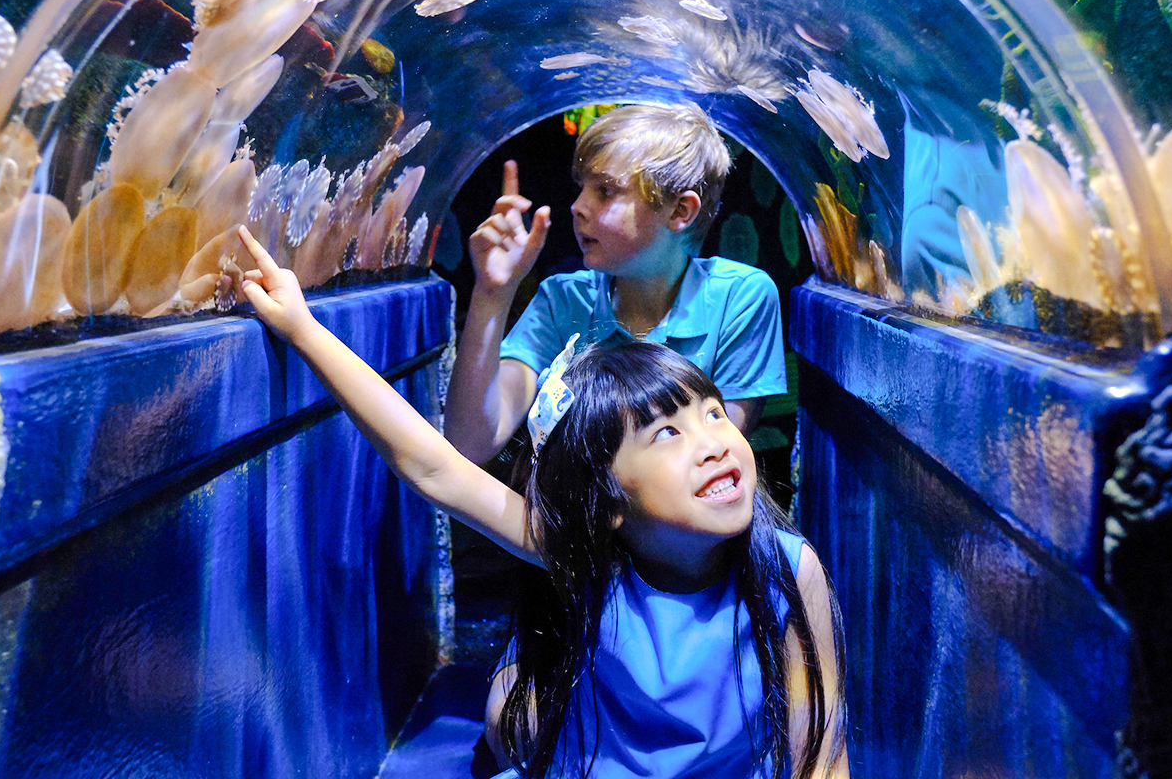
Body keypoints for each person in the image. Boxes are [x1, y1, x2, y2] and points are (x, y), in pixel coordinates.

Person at [237, 226, 848, 779]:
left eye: (713, 413)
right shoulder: (589, 555)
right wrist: (302, 327)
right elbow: (433, 467)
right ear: (608, 501)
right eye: (667, 432)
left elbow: (820, 751)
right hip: (582, 754)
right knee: (517, 711)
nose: (715, 443)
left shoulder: (788, 570)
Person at [446, 104, 786, 470]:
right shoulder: (563, 299)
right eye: (582, 188)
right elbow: (470, 443)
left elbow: (708, 463)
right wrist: (491, 294)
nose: (577, 206)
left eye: (606, 191)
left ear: (679, 212)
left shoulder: (740, 297)